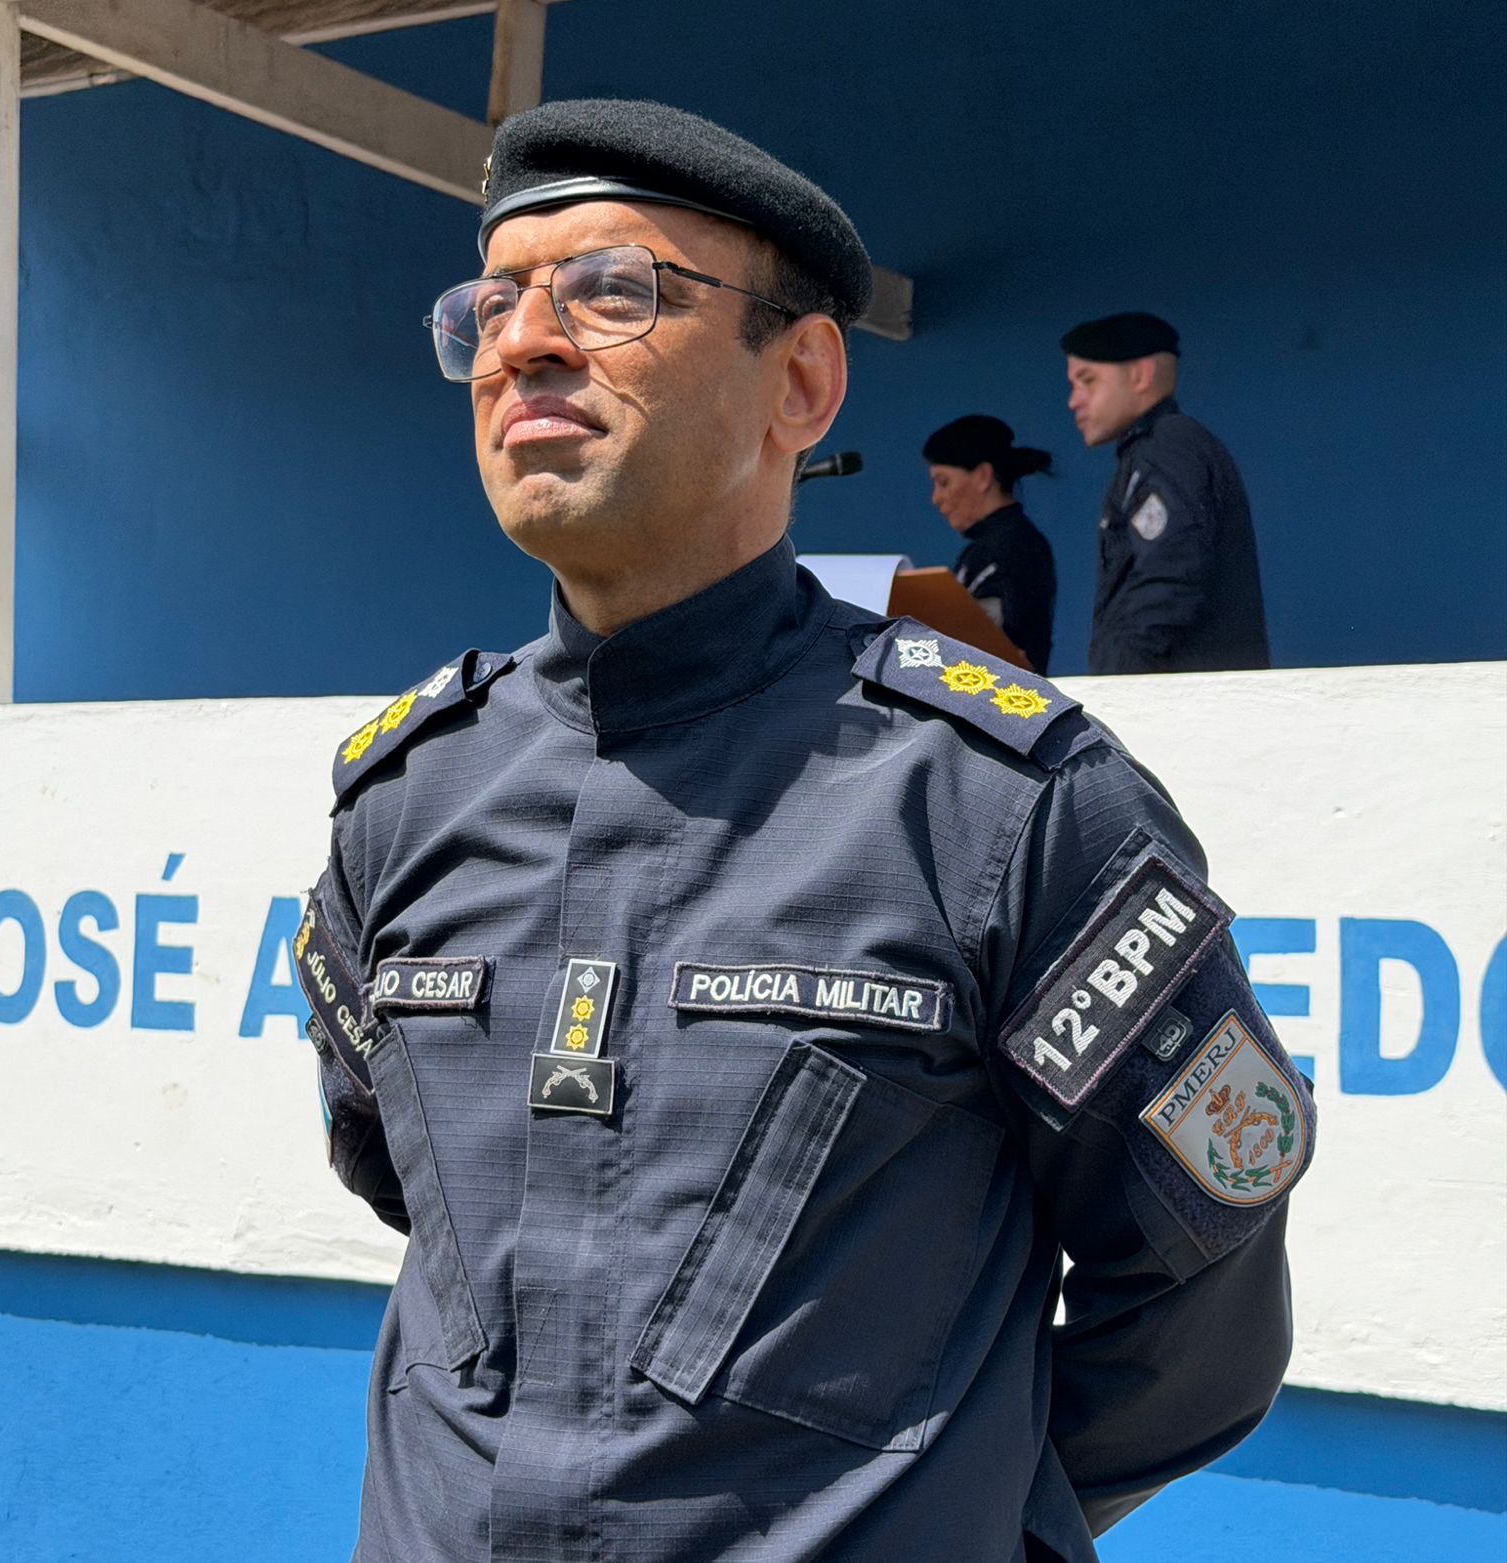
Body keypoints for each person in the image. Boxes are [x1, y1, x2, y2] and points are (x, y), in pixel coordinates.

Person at [295, 99, 1313, 1563]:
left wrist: (949, 1507)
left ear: (803, 381)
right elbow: (408, 1178)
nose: (525, 340)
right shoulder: (405, 801)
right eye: (495, 301)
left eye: (611, 288)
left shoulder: (1001, 803)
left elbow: (1199, 1283)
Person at [1062, 312, 1270, 674]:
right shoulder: (1160, 448)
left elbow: (1168, 578)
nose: (1074, 401)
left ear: (1139, 376)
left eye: (1088, 381)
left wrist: (1121, 688)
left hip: (1182, 707)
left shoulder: (1167, 446)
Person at [923, 414, 1057, 673]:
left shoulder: (1014, 546)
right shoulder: (991, 547)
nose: (936, 498)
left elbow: (993, 645)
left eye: (943, 482)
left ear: (983, 476)